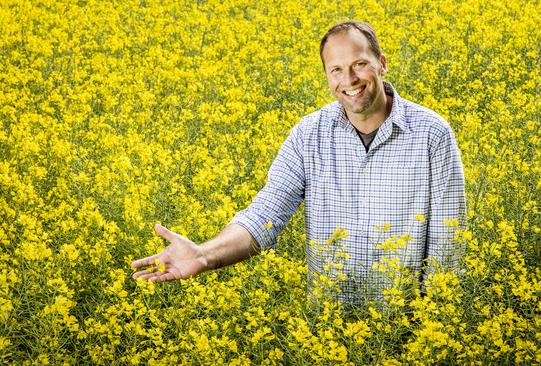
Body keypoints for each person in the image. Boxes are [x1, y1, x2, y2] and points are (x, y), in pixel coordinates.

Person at [131, 20, 466, 303]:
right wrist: (203, 255)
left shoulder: (431, 134)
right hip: (329, 328)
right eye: (336, 69)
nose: (349, 80)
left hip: (407, 326)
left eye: (359, 64)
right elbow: (265, 215)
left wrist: (433, 327)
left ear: (382, 63)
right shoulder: (310, 135)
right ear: (326, 76)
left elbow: (447, 246)